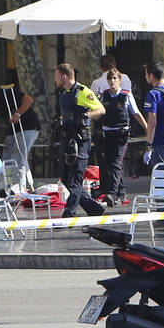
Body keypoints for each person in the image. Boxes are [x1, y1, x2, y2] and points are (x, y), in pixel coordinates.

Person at [54, 63, 106, 218]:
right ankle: (94, 208)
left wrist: (86, 116)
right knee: (66, 177)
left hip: (80, 140)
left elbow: (101, 109)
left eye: (56, 77)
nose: (55, 80)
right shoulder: (64, 93)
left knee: (76, 177)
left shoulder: (83, 92)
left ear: (64, 76)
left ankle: (69, 213)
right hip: (67, 139)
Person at [96, 68, 148, 206]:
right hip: (108, 133)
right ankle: (121, 193)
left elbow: (136, 113)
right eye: (110, 79)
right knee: (111, 164)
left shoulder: (126, 95)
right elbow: (98, 111)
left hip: (121, 134)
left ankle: (112, 194)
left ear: (119, 80)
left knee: (116, 163)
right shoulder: (104, 95)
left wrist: (147, 128)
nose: (112, 81)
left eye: (115, 78)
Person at [0, 79, 40, 173]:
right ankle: (9, 179)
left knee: (18, 157)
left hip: (27, 127)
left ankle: (20, 180)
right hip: (12, 130)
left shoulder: (7, 92)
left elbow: (29, 99)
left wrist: (18, 114)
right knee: (7, 157)